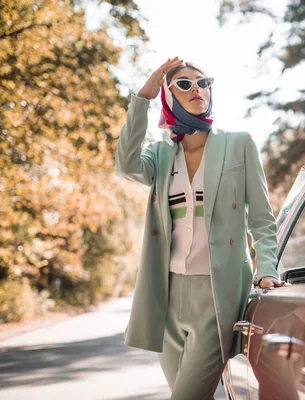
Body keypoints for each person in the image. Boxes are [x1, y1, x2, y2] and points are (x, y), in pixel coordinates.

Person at [115, 57, 284, 399]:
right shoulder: (160, 154)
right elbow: (125, 166)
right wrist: (142, 98)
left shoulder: (239, 144)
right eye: (184, 84)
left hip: (217, 293)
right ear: (169, 95)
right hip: (166, 295)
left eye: (203, 83)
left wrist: (266, 269)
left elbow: (262, 219)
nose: (196, 89)